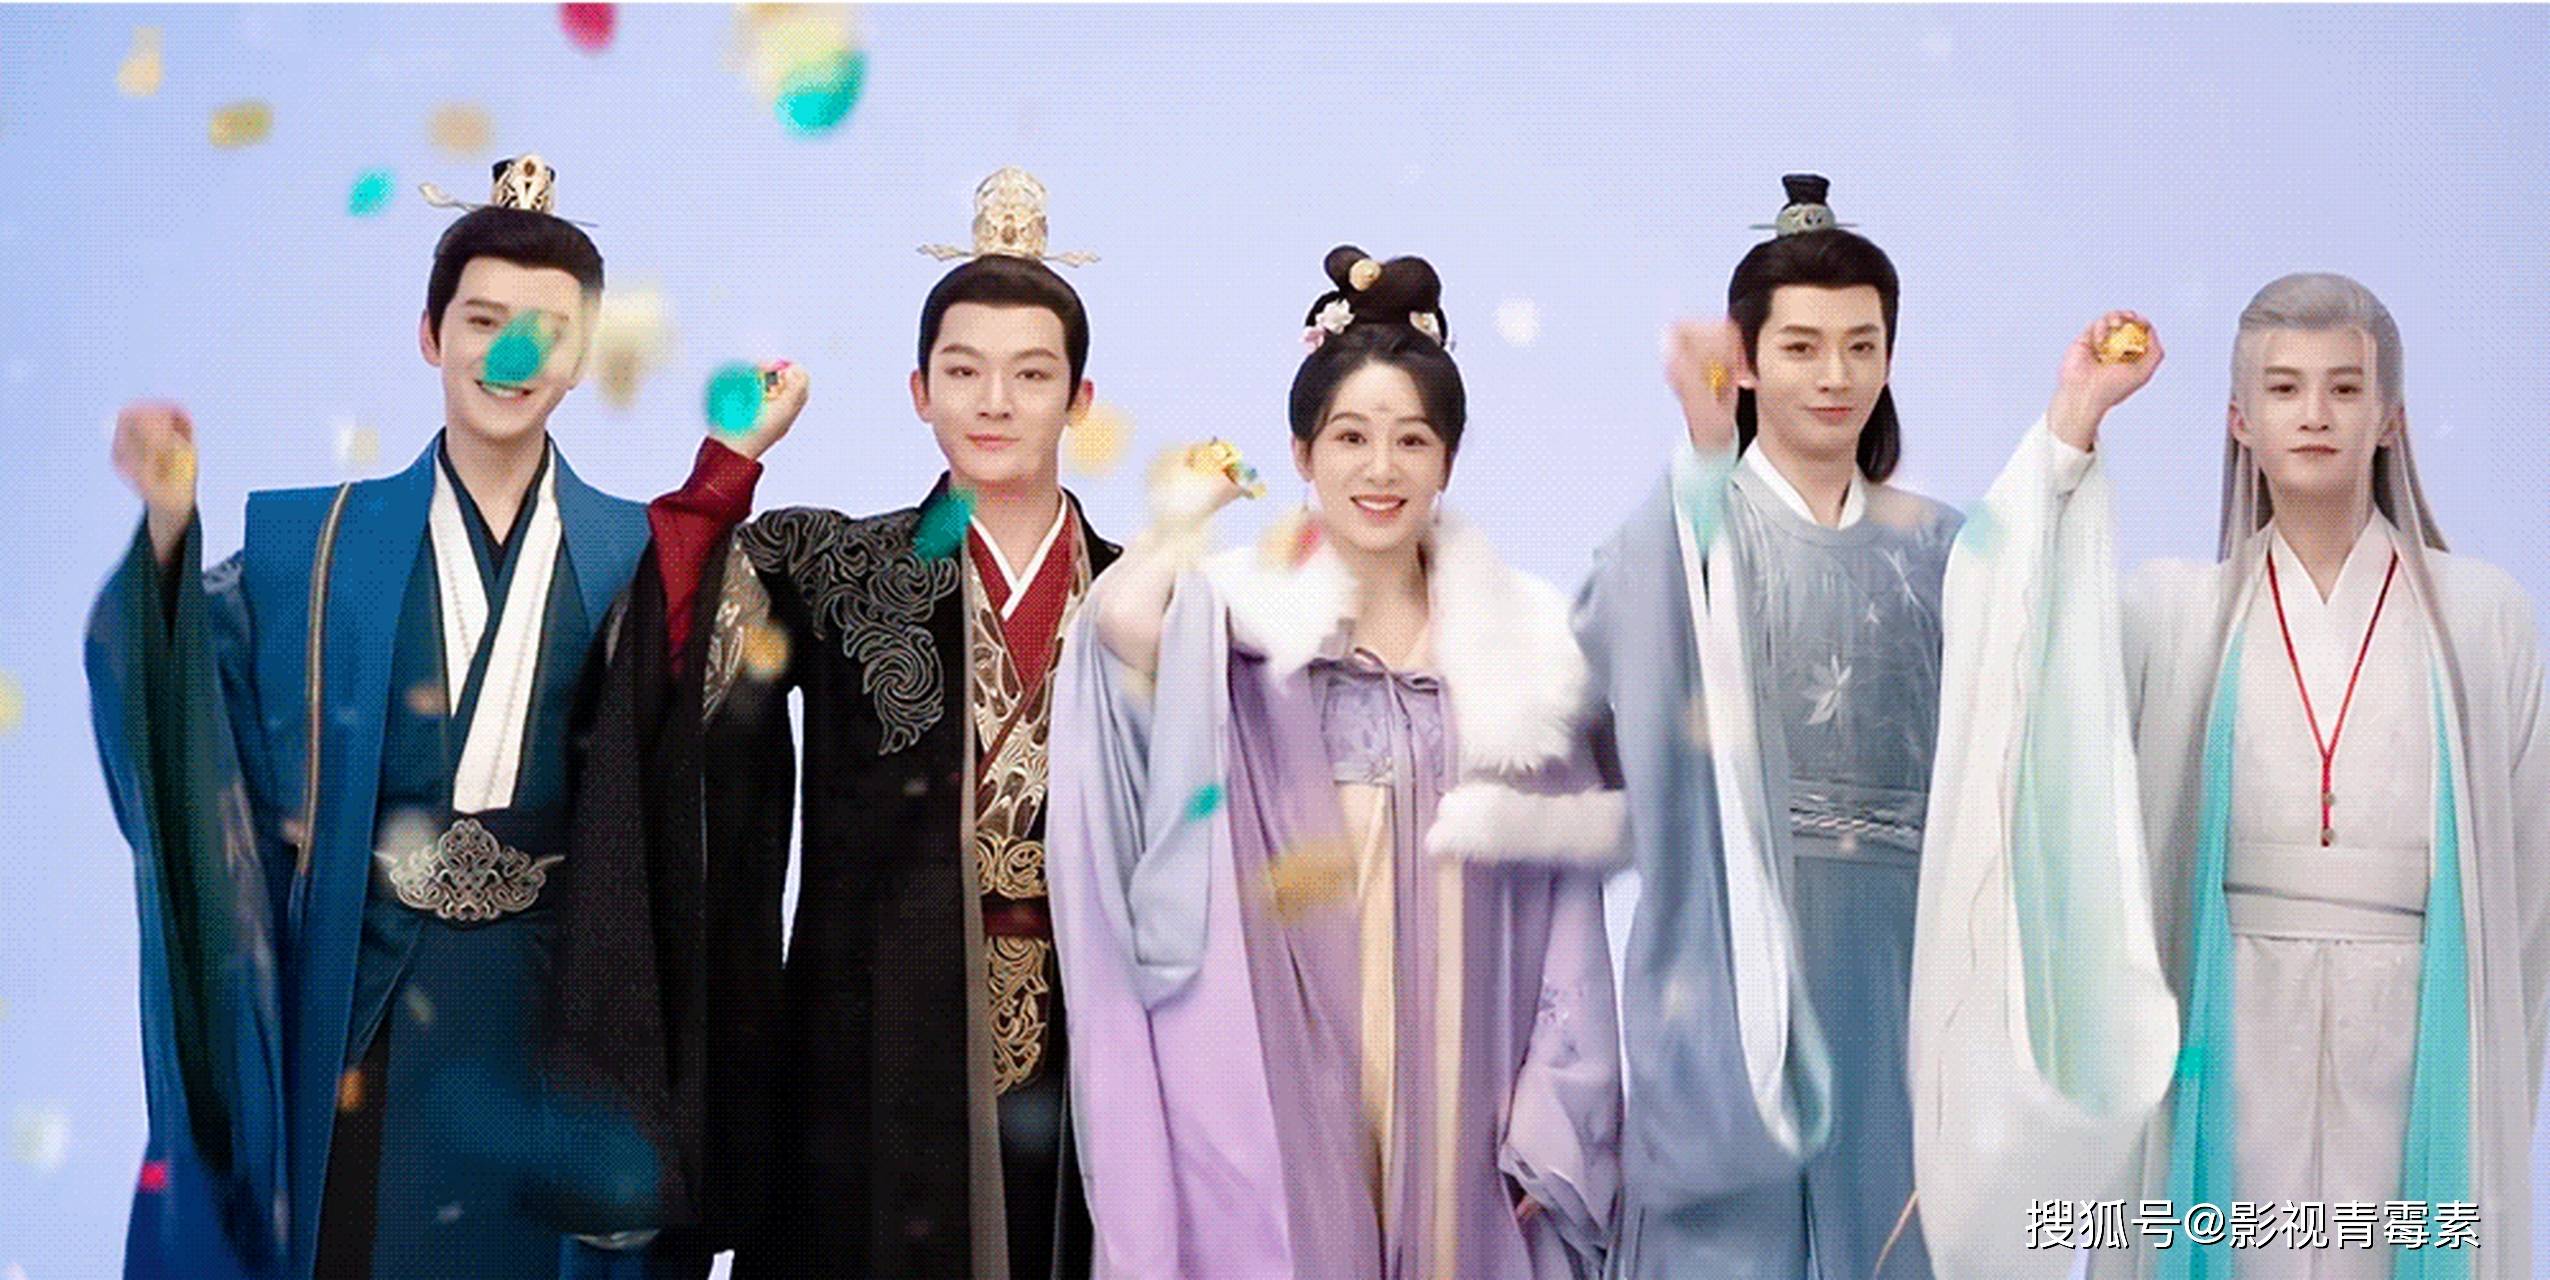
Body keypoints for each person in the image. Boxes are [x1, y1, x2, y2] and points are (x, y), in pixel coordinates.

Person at [84, 156, 747, 1279]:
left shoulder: (644, 555)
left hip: (568, 1016)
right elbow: (184, 703)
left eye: (547, 331)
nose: (510, 357)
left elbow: (710, 804)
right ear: (430, 334)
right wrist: (166, 528)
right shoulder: (311, 550)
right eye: (482, 321)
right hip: (374, 1010)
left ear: (582, 355)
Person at [547, 167, 1115, 1279]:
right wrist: (731, 467)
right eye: (963, 370)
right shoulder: (838, 567)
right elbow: (674, 641)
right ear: (919, 391)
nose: (995, 401)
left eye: (1031, 373)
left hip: (1091, 1038)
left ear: (1079, 400)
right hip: (869, 1036)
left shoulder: (1145, 600)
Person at [1047, 247, 1623, 1278]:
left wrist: (1558, 1104)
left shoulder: (1519, 650)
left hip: (1464, 1058)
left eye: (1412, 439)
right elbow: (1121, 625)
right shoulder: (1242, 626)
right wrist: (1184, 517)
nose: (1381, 468)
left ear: (1448, 460)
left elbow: (1568, 904)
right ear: (1303, 454)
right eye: (1351, 437)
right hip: (1285, 1040)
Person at [1983, 273, 2547, 1279]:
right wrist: (2075, 420)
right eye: (2284, 389)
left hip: (2416, 1021)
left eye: (2344, 387)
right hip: (2226, 1016)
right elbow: (2029, 657)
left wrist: (2498, 1081)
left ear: (2390, 419)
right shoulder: (2174, 612)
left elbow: (2529, 886)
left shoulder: (2482, 618)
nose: (2315, 414)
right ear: (2240, 420)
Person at [1578, 173, 1983, 1277]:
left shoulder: (1942, 546)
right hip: (1726, 930)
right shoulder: (1692, 522)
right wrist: (1702, 460)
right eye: (1802, 347)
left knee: (1893, 1219)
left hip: (1898, 947)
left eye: (1862, 345)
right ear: (1746, 362)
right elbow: (1609, 652)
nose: (1835, 375)